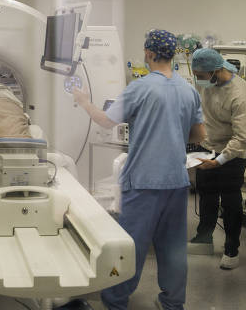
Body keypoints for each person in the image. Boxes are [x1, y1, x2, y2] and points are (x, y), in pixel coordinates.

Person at [73, 29, 206, 310]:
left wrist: (85, 102)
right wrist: (172, 134)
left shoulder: (141, 87)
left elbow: (107, 121)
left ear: (148, 53)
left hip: (145, 180)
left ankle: (116, 301)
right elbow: (199, 135)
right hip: (177, 181)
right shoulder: (188, 90)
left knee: (131, 247)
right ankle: (172, 303)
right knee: (173, 248)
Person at [187, 48, 246, 270]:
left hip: (233, 152)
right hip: (209, 145)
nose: (198, 80)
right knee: (206, 195)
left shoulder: (238, 93)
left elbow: (242, 137)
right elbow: (201, 112)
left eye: (201, 76)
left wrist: (218, 161)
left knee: (230, 201)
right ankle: (204, 238)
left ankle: (231, 249)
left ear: (216, 71)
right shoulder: (206, 82)